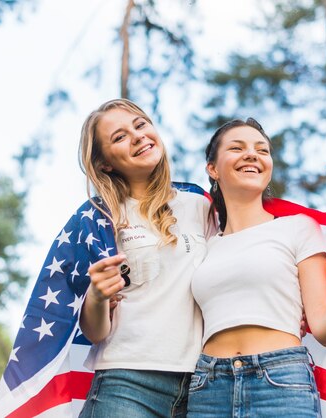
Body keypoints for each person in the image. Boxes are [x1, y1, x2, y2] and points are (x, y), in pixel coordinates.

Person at [188, 118, 326, 417]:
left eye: (262, 150)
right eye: (237, 148)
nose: (252, 155)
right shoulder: (203, 244)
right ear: (212, 168)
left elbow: (324, 329)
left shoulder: (298, 229)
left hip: (280, 381)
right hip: (208, 387)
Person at [76, 98, 212, 418]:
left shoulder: (202, 206)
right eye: (120, 137)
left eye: (140, 125)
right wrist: (96, 295)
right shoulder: (100, 219)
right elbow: (94, 332)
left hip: (204, 388)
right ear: (104, 163)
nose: (138, 136)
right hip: (126, 385)